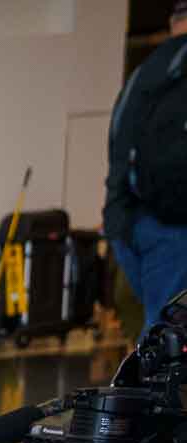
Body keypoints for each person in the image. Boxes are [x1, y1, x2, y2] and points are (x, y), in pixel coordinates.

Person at [106, 1, 187, 321]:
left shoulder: (142, 74)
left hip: (126, 224)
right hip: (173, 229)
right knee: (170, 344)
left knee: (164, 336)